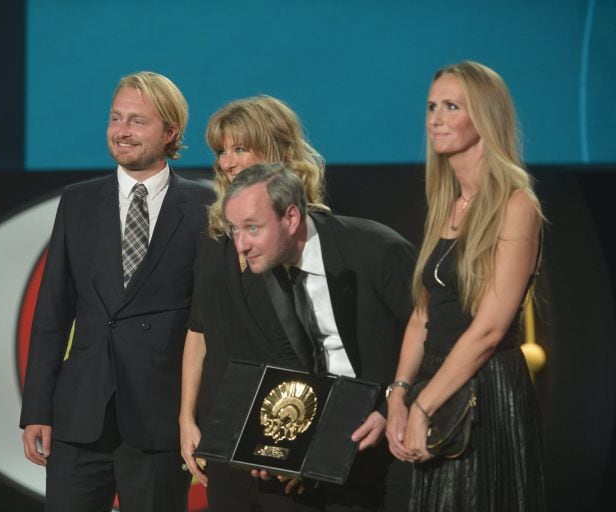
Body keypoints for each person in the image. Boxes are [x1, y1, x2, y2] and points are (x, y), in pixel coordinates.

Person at [19, 71, 213, 512]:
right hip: (80, 417)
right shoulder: (78, 201)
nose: (121, 131)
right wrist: (36, 409)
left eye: (137, 121)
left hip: (158, 419)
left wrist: (197, 415)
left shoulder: (204, 209)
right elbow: (53, 312)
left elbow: (207, 323)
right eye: (115, 118)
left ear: (170, 132)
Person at [384, 61, 546, 511]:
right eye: (432, 106)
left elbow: (490, 329)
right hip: (436, 385)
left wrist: (423, 407)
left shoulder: (516, 204)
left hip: (485, 393)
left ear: (485, 117)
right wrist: (399, 395)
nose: (435, 118)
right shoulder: (449, 203)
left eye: (451, 106)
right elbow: (422, 314)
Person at [220, 163, 416, 512]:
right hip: (332, 444)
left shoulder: (377, 251)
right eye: (234, 229)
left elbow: (436, 340)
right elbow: (287, 365)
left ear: (291, 217)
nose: (241, 245)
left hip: (398, 439)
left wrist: (392, 407)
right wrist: (286, 445)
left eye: (252, 228)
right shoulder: (260, 271)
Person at [179, 95, 330, 511]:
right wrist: (187, 419)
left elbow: (326, 348)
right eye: (222, 151)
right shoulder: (213, 239)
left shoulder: (308, 236)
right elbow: (199, 330)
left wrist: (306, 442)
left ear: (278, 150)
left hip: (287, 432)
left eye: (240, 148)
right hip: (222, 430)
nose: (227, 162)